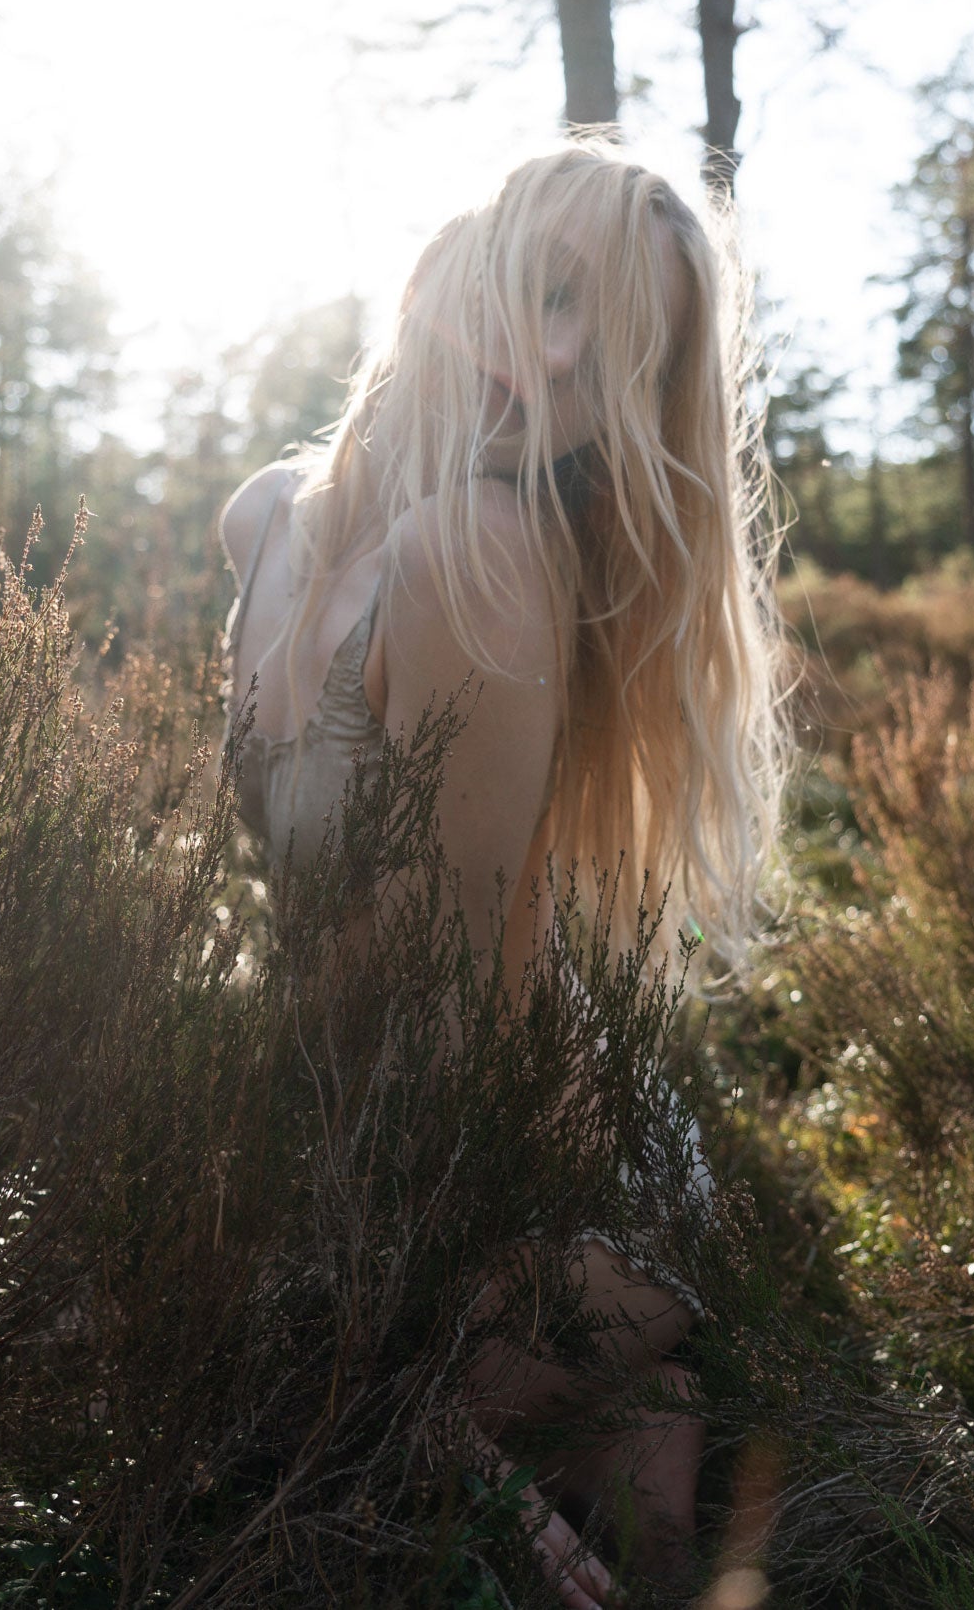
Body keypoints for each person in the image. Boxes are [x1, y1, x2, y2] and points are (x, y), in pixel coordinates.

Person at [220, 141, 787, 1608]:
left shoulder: (478, 550)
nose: (545, 361)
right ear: (461, 257)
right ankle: (597, 1424)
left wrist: (414, 1401)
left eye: (601, 348)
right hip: (382, 1112)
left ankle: (569, 1402)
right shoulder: (268, 516)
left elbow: (460, 1048)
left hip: (567, 1179)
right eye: (543, 291)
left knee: (296, 1413)